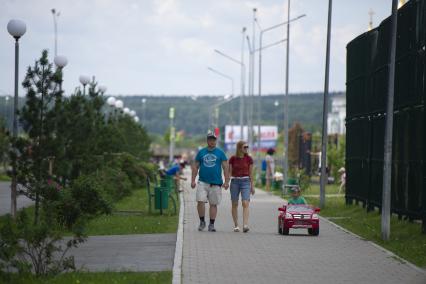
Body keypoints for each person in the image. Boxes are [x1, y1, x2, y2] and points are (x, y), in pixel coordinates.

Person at [191, 132, 230, 232]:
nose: (212, 141)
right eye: (210, 139)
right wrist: (192, 180)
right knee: (200, 201)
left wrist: (226, 181)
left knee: (213, 204)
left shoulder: (220, 153)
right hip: (202, 182)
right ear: (207, 140)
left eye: (213, 140)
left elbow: (226, 167)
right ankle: (202, 222)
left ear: (216, 141)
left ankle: (211, 224)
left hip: (216, 183)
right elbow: (195, 166)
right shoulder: (201, 152)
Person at [228, 141, 254, 233]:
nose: (246, 148)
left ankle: (245, 225)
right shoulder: (232, 159)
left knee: (245, 202)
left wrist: (252, 186)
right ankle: (236, 225)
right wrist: (226, 182)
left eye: (247, 147)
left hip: (246, 181)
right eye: (245, 147)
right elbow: (230, 172)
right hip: (234, 181)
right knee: (234, 204)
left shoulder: (249, 159)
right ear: (239, 148)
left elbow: (251, 173)